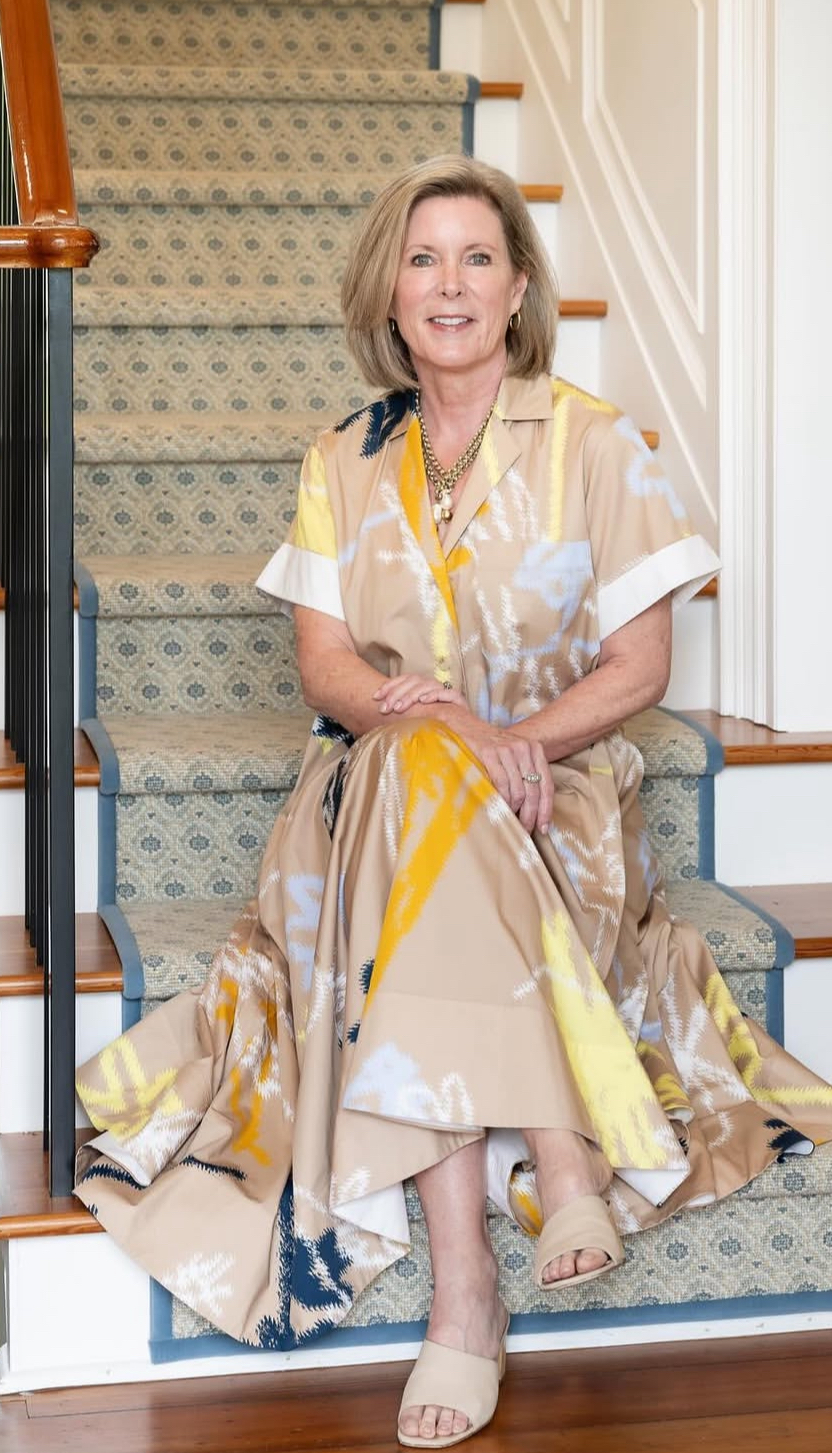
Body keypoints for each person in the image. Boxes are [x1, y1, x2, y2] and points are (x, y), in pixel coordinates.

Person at [74, 155, 832, 1450]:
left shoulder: (597, 442)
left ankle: (466, 1298)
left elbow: (640, 670)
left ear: (520, 286)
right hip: (364, 795)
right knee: (415, 763)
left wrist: (503, 741)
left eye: (478, 257)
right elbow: (327, 670)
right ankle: (557, 1164)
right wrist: (448, 732)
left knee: (435, 781)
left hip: (557, 797)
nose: (450, 284)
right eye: (423, 259)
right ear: (391, 290)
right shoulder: (341, 458)